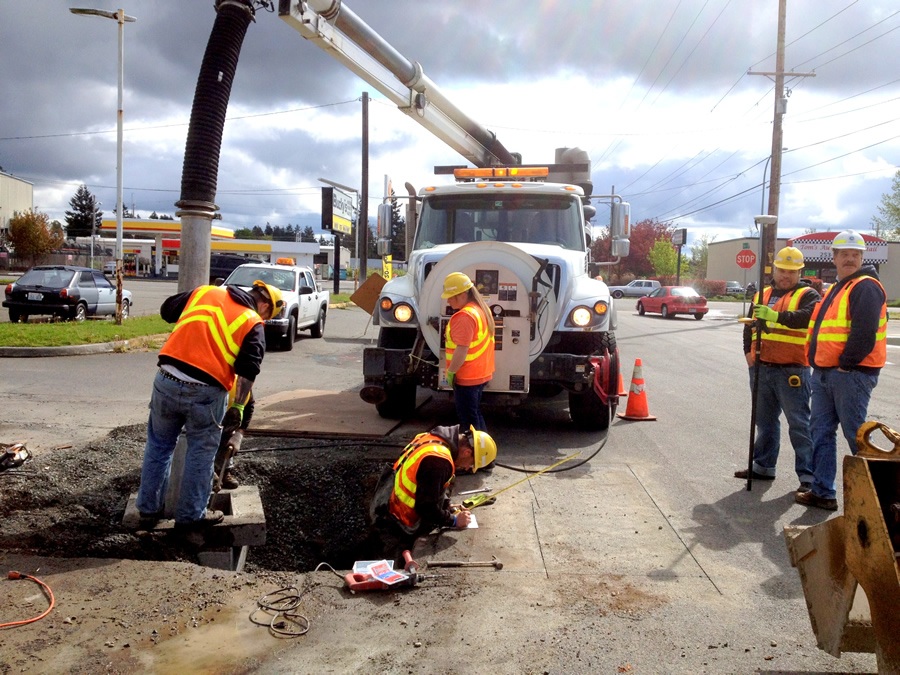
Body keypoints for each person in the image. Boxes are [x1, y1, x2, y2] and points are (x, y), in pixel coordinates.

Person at [135, 279, 283, 529]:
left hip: (166, 379)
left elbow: (167, 310)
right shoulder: (251, 321)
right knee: (201, 453)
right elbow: (248, 371)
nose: (265, 319)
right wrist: (237, 407)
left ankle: (148, 511)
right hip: (206, 391)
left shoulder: (205, 292)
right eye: (268, 315)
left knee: (159, 446)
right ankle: (191, 516)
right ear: (265, 305)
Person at [797, 229, 887, 511]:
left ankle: (883, 499)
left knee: (856, 436)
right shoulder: (839, 287)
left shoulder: (865, 286)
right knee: (821, 433)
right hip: (825, 373)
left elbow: (865, 332)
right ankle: (823, 492)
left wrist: (847, 365)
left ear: (862, 258)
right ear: (834, 257)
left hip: (850, 374)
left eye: (855, 255)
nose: (850, 259)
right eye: (845, 254)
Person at [735, 247, 820, 491]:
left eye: (792, 271)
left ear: (800, 272)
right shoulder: (762, 294)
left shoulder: (808, 294)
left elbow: (805, 318)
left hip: (792, 370)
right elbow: (750, 325)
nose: (786, 275)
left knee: (800, 425)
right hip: (762, 367)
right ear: (775, 269)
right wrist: (748, 352)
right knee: (765, 422)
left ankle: (809, 478)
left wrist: (774, 316)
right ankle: (763, 466)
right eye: (783, 270)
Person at [371, 424, 497, 565]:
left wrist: (446, 504)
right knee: (390, 563)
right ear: (467, 452)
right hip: (398, 520)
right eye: (472, 464)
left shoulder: (431, 438)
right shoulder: (439, 462)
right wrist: (454, 521)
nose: (468, 468)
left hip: (387, 500)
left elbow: (425, 483)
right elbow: (426, 508)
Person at [442, 272, 495, 433]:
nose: (448, 300)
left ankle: (478, 455)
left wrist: (451, 372)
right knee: (475, 415)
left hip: (467, 377)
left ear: (463, 294)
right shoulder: (480, 310)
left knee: (469, 422)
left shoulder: (464, 317)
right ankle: (484, 455)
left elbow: (462, 349)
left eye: (452, 296)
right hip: (479, 373)